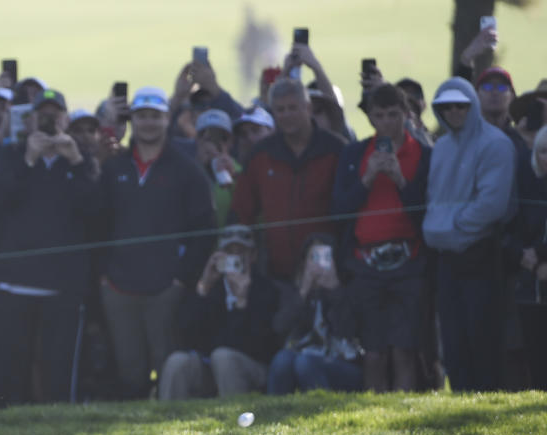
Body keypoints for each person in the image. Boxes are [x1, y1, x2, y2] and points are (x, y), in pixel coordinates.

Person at [98, 87, 216, 398]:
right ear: (132, 120)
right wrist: (104, 277)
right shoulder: (114, 167)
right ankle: (130, 431)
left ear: (168, 119)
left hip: (166, 288)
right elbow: (96, 226)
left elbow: (205, 229)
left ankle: (164, 427)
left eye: (155, 116)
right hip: (119, 286)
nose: (148, 123)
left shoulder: (186, 169)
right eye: (142, 116)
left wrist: (182, 279)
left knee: (167, 365)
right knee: (129, 368)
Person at [0, 88, 98, 405]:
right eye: (43, 112)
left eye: (56, 112)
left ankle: (59, 429)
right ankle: (5, 429)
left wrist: (76, 159)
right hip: (13, 285)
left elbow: (95, 210)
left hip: (62, 289)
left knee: (58, 371)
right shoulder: (11, 155)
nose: (50, 118)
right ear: (31, 118)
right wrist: (29, 159)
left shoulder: (80, 161)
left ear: (65, 118)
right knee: (10, 370)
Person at [331, 84, 432, 391]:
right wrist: (366, 179)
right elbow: (339, 210)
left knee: (403, 348)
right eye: (379, 115)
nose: (387, 122)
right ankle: (375, 415)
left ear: (406, 114)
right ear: (371, 118)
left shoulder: (424, 155)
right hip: (366, 263)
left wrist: (401, 179)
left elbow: (427, 213)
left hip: (409, 261)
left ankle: (402, 411)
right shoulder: (355, 154)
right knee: (373, 351)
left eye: (393, 114)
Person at [423, 79, 515, 391]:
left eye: (460, 105)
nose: (453, 111)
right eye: (446, 106)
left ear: (471, 105)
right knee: (453, 339)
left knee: (481, 337)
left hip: (480, 254)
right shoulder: (442, 147)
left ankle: (486, 408)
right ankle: (462, 403)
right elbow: (434, 199)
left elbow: (491, 205)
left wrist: (449, 228)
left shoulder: (496, 144)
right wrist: (443, 230)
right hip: (446, 258)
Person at [231, 78, 345, 279]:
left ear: (308, 108)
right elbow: (242, 210)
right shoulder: (260, 155)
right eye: (280, 110)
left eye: (293, 108)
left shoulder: (336, 150)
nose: (286, 115)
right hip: (275, 273)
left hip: (329, 271)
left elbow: (350, 210)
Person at [159, 225, 285, 399]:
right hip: (211, 367)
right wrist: (204, 287)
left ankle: (232, 417)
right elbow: (185, 335)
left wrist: (241, 302)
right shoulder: (211, 287)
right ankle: (166, 422)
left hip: (252, 368)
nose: (235, 259)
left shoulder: (266, 290)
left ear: (253, 255)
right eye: (228, 252)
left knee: (223, 357)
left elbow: (259, 346)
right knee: (177, 362)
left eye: (241, 252)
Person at [268, 234, 363, 394]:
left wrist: (335, 290)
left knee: (305, 362)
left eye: (325, 257)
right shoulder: (295, 292)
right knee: (282, 359)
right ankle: (276, 412)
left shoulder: (349, 288)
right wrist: (304, 291)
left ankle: (320, 409)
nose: (319, 264)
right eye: (313, 257)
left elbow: (350, 331)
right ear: (304, 262)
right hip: (302, 357)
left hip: (343, 364)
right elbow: (279, 327)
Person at [506, 126, 547, 388]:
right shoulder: (526, 185)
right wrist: (524, 255)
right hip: (531, 281)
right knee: (536, 353)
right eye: (544, 151)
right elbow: (510, 227)